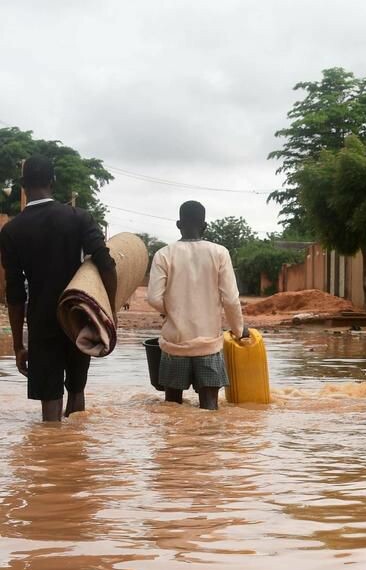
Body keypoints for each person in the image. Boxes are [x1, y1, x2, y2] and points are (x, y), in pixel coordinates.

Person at [1, 156, 118, 422]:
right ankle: (75, 456)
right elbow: (106, 265)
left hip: (41, 322)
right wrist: (109, 312)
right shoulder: (78, 218)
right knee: (76, 392)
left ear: (22, 184)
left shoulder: (12, 231)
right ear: (53, 182)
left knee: (49, 406)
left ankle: (50, 457)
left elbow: (15, 293)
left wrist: (19, 344)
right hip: (79, 315)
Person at [147, 201, 247, 411]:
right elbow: (230, 299)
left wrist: (170, 312)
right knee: (210, 409)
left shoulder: (163, 254)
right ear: (205, 226)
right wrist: (239, 331)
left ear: (178, 224)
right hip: (208, 345)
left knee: (172, 410)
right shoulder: (220, 253)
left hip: (175, 344)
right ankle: (207, 442)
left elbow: (154, 298)